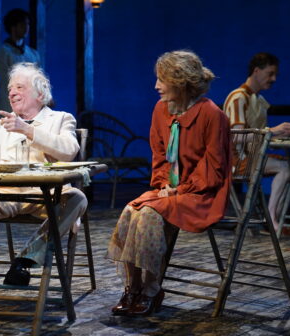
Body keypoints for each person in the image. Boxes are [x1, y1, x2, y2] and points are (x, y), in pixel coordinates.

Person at [0, 62, 86, 307]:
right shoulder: (0, 126)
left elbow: (69, 151)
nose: (11, 92)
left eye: (19, 87)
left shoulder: (61, 119)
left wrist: (28, 131)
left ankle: (27, 259)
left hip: (45, 196)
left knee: (77, 198)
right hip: (3, 194)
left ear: (40, 94)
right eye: (10, 88)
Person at [106, 50, 231, 317]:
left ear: (181, 81)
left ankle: (151, 289)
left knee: (149, 214)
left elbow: (213, 168)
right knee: (132, 210)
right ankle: (132, 287)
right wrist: (164, 184)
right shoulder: (161, 110)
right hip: (170, 190)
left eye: (162, 80)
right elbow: (159, 154)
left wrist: (180, 189)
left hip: (201, 193)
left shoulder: (211, 114)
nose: (156, 86)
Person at [223, 52, 290, 233]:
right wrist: (272, 131)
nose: (273, 79)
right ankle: (271, 219)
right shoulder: (238, 97)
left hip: (251, 156)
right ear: (256, 71)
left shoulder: (257, 99)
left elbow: (258, 137)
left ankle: (275, 215)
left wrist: (281, 134)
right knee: (285, 168)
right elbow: (237, 136)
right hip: (235, 160)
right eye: (270, 73)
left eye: (275, 75)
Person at [0, 8, 41, 114]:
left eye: (28, 24)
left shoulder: (33, 54)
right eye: (22, 24)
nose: (26, 28)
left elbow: (39, 78)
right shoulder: (3, 52)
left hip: (31, 105)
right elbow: (6, 78)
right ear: (13, 27)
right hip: (10, 103)